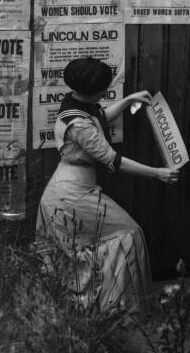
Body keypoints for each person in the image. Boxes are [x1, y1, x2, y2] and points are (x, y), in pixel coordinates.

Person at [36, 57, 180, 310]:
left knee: (113, 237)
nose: (106, 90)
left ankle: (108, 304)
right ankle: (119, 305)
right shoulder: (79, 124)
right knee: (128, 233)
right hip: (72, 195)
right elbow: (114, 161)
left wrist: (127, 100)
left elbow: (100, 117)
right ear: (93, 91)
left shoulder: (75, 104)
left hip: (72, 189)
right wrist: (157, 173)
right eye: (104, 87)